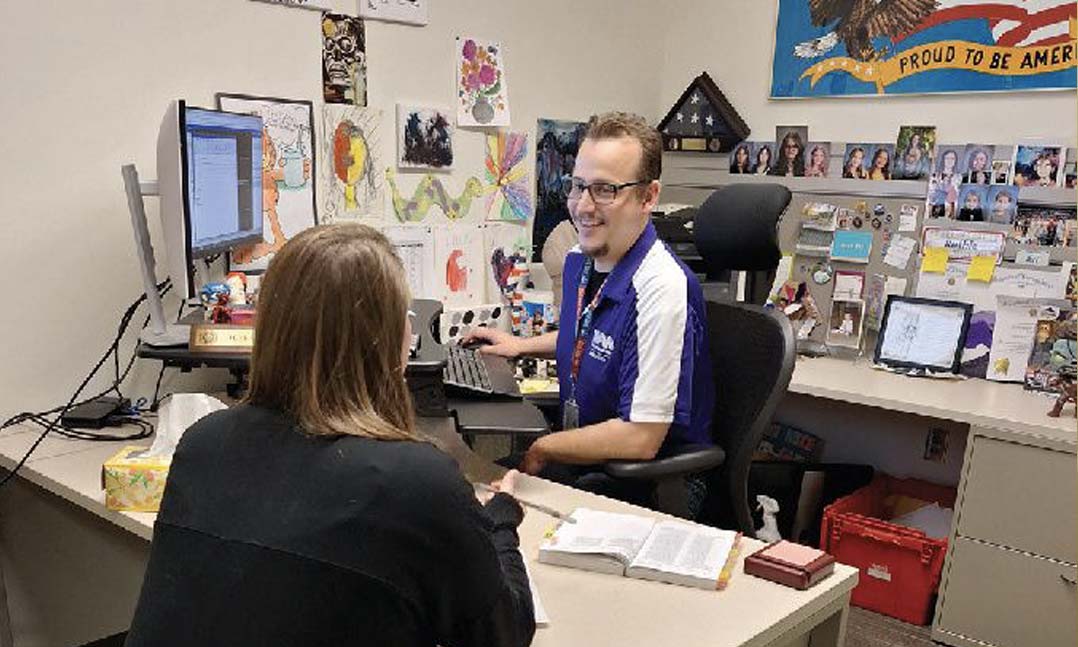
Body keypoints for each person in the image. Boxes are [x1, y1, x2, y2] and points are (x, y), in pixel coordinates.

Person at [126, 224, 535, 647]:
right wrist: (500, 518)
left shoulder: (202, 442)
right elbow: (503, 634)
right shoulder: (416, 482)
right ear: (389, 342)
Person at [464, 112, 715, 512]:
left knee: (489, 520)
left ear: (648, 197)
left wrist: (545, 448)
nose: (582, 206)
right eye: (578, 186)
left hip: (646, 483)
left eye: (604, 190)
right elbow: (593, 335)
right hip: (586, 461)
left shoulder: (662, 286)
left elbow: (642, 436)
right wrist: (520, 346)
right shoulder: (582, 259)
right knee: (464, 494)